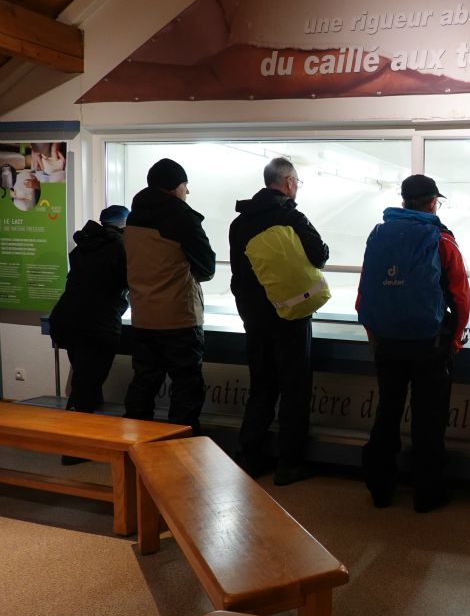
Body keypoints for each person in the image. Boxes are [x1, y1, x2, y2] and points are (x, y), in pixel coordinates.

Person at [356, 174, 470, 513]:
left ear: (403, 200)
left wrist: (374, 335)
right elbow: (461, 297)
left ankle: (379, 487)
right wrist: (454, 341)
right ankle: (427, 493)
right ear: (433, 202)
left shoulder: (378, 234)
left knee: (387, 412)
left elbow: (365, 293)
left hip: (387, 343)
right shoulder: (441, 240)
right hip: (428, 345)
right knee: (428, 419)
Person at [229, 157, 329, 486]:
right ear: (287, 183)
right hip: (290, 316)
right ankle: (289, 463)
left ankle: (251, 458)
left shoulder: (239, 223)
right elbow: (319, 254)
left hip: (255, 319)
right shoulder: (291, 215)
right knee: (294, 388)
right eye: (297, 182)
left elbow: (238, 274)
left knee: (261, 385)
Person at [123, 158, 215, 433]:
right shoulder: (182, 218)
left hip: (143, 316)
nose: (186, 192)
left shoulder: (134, 216)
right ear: (175, 186)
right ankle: (179, 452)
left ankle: (136, 446)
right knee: (186, 387)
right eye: (185, 186)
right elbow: (207, 268)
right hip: (178, 318)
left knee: (144, 383)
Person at [49, 205, 130, 464]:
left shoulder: (83, 246)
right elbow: (127, 283)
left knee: (84, 379)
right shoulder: (120, 247)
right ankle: (74, 449)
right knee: (87, 384)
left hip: (67, 319)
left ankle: (84, 439)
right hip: (97, 324)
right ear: (124, 225)